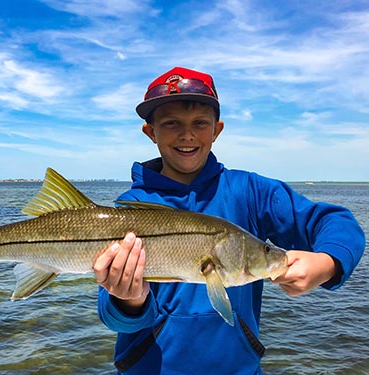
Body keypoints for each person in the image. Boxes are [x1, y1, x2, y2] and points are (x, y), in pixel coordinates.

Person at [92, 67, 366, 374]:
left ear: (216, 130)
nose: (187, 134)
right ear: (151, 131)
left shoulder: (251, 192)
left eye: (200, 123)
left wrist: (327, 263)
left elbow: (336, 222)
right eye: (171, 124)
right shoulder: (130, 209)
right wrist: (129, 301)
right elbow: (112, 316)